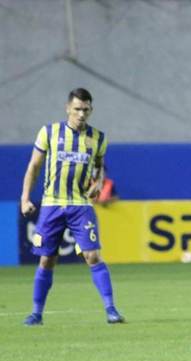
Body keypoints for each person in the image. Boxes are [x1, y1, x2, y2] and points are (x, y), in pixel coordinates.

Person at [20, 88, 125, 325]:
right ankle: (36, 313)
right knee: (47, 259)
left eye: (85, 110)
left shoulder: (98, 138)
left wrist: (97, 184)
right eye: (77, 109)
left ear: (91, 110)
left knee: (93, 255)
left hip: (80, 205)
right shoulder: (49, 132)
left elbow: (99, 167)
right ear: (68, 108)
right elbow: (34, 167)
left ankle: (111, 309)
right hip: (52, 205)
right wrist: (25, 198)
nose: (81, 114)